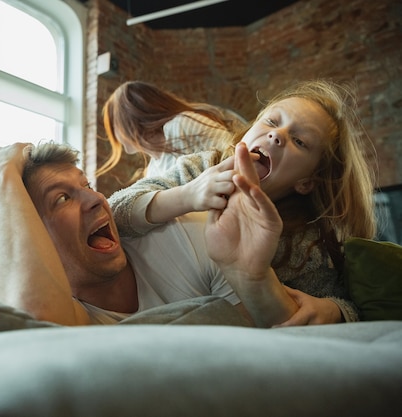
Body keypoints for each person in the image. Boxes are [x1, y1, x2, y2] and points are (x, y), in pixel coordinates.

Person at [108, 79, 377, 325]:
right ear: (246, 134)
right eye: (271, 122)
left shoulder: (305, 241)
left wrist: (334, 310)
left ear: (306, 182)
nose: (276, 135)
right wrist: (187, 194)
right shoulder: (200, 167)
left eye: (299, 141)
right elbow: (116, 211)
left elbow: (340, 304)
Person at [0, 141, 299, 328]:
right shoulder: (69, 312)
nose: (96, 200)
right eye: (62, 199)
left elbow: (270, 338)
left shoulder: (186, 234)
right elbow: (35, 324)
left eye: (86, 186)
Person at [97, 81, 246, 180]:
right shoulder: (152, 170)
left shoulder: (179, 125)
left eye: (115, 126)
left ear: (130, 122)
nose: (115, 136)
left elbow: (234, 154)